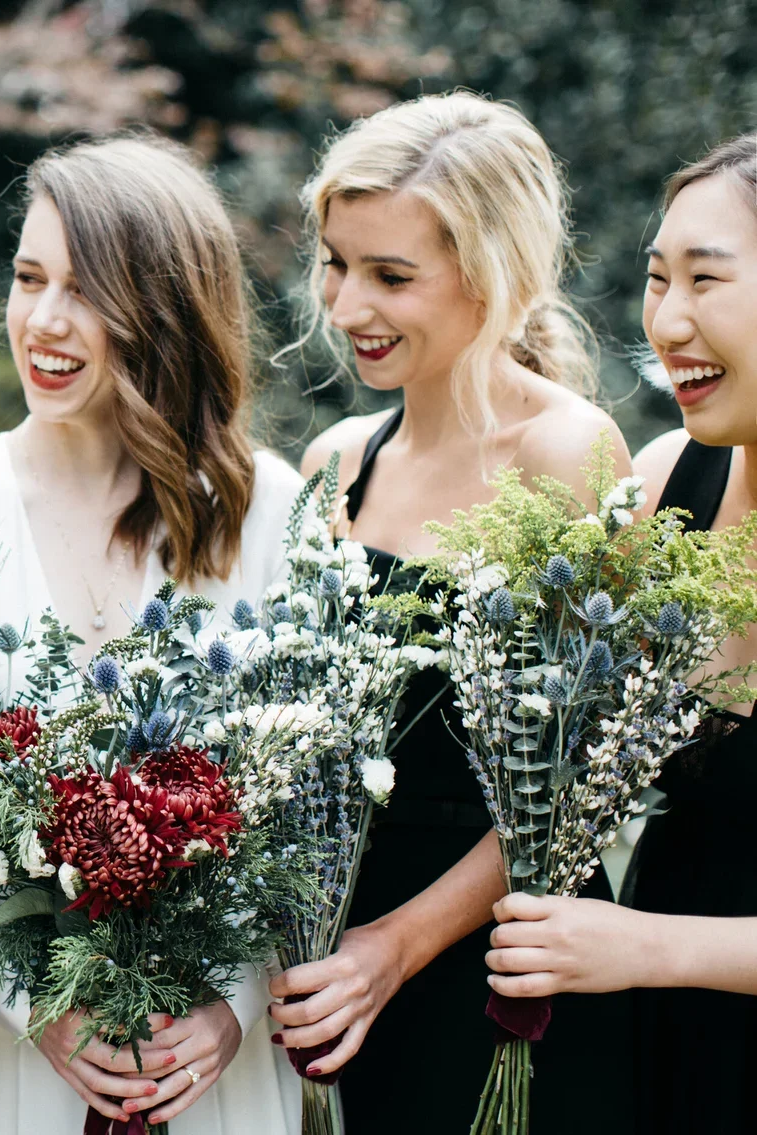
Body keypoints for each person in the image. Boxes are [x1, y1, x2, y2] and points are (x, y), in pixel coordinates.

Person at [0, 133, 304, 1135]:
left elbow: (305, 806)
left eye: (87, 289)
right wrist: (35, 1001)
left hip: (216, 1077)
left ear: (165, 308)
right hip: (12, 1065)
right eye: (29, 278)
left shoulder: (267, 509)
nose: (44, 321)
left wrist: (233, 1010)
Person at [268, 91, 636, 1132]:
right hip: (335, 970)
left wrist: (394, 948)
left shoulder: (569, 452)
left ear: (494, 277)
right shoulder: (334, 464)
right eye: (338, 263)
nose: (344, 307)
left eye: (391, 276)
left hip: (502, 974)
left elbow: (587, 775)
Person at [487, 132, 757, 1133]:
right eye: (655, 279)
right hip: (650, 1056)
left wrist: (646, 946)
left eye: (706, 279)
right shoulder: (663, 485)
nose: (668, 318)